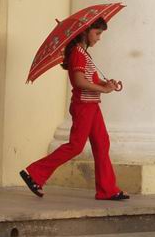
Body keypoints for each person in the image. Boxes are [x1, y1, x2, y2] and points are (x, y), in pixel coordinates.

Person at [19, 17, 129, 201]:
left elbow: (89, 80)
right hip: (84, 105)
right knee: (76, 146)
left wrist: (107, 83)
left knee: (102, 143)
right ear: (85, 32)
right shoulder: (78, 53)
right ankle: (34, 173)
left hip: (92, 105)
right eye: (97, 33)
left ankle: (107, 189)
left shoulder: (84, 54)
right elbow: (78, 82)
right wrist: (103, 89)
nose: (99, 38)